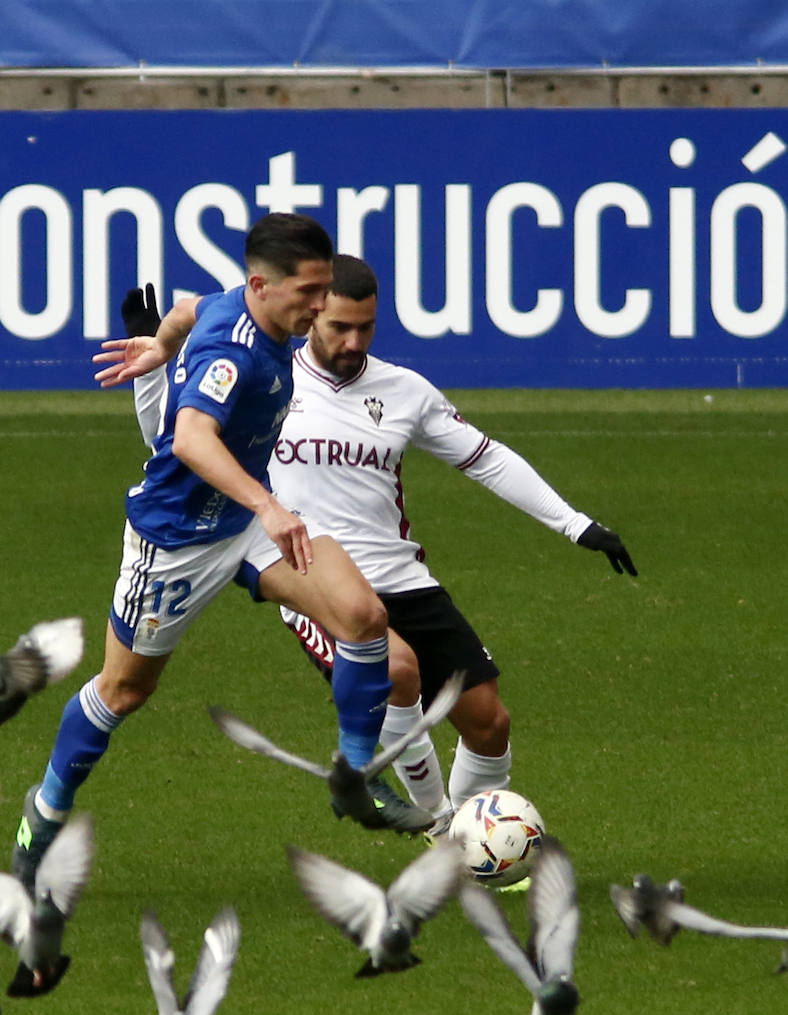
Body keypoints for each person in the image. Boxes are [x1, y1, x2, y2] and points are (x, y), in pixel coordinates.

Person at [124, 254, 636, 832]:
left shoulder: (405, 392)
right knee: (398, 670)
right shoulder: (265, 382)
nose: (352, 340)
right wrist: (150, 369)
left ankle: (470, 842)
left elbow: (486, 459)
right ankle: (440, 826)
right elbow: (173, 445)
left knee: (489, 722)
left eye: (365, 326)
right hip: (315, 578)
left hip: (404, 578)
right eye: (339, 326)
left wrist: (575, 524)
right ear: (311, 313)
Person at [12, 217, 433, 891]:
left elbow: (183, 309)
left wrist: (158, 345)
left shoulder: (233, 304)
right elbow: (190, 441)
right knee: (123, 691)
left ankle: (353, 775)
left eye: (325, 289)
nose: (322, 307)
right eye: (311, 292)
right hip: (175, 541)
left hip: (244, 519)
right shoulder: (231, 355)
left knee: (362, 617)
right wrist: (270, 504)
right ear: (263, 286)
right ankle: (46, 808)